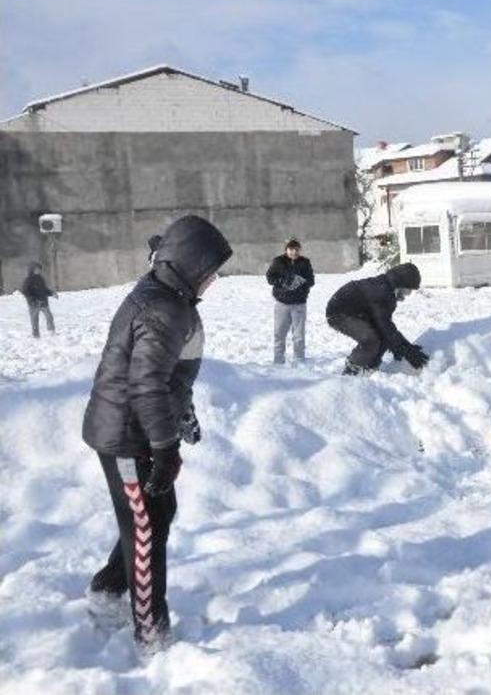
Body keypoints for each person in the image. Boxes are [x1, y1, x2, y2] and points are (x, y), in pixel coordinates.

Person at [82, 214, 232, 653]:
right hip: (127, 437)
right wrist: (165, 449)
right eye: (210, 272)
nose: (213, 281)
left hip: (141, 428)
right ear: (189, 265)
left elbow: (169, 379)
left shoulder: (169, 296)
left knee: (156, 515)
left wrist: (180, 416)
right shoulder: (164, 307)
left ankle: (109, 588)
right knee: (145, 527)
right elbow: (144, 384)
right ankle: (152, 635)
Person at [326, 262, 428, 375]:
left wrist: (400, 347)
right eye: (408, 290)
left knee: (383, 336)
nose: (407, 294)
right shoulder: (381, 292)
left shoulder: (386, 288)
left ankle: (370, 367)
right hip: (339, 313)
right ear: (400, 284)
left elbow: (386, 327)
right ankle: (352, 369)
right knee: (370, 339)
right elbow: (385, 325)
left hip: (358, 312)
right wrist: (406, 350)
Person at [266, 238, 314, 364]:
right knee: (279, 334)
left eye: (297, 249)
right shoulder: (278, 261)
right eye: (291, 249)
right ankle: (278, 360)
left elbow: (311, 280)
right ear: (286, 249)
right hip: (282, 304)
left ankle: (299, 360)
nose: (294, 252)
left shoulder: (305, 262)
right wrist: (283, 281)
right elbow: (270, 278)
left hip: (299, 304)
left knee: (298, 336)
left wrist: (301, 281)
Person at [21, 262, 57, 337]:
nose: (38, 270)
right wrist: (32, 300)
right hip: (33, 304)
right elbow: (25, 291)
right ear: (32, 269)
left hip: (43, 301)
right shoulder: (28, 280)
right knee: (34, 319)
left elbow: (44, 289)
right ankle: (36, 335)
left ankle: (51, 331)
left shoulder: (41, 279)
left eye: (39, 269)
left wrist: (52, 293)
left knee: (49, 316)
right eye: (37, 269)